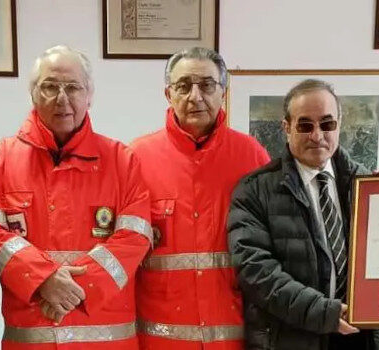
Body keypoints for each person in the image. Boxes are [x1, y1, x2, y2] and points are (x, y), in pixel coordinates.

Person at [0, 45, 152, 349]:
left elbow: (135, 237)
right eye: (50, 87)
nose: (62, 99)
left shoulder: (123, 160)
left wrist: (75, 290)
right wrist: (43, 279)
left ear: (89, 96)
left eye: (73, 87)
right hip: (31, 339)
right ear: (33, 94)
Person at [227, 79, 379, 350]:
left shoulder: (367, 185)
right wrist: (326, 313)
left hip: (359, 338)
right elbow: (257, 272)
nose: (317, 135)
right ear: (286, 127)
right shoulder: (254, 190)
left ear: (339, 124)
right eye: (304, 125)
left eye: (327, 124)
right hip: (289, 338)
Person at [130, 47, 270, 350]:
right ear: (168, 94)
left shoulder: (252, 156)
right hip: (159, 338)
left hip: (234, 336)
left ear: (224, 92)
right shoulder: (136, 158)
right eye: (183, 86)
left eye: (207, 85)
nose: (195, 96)